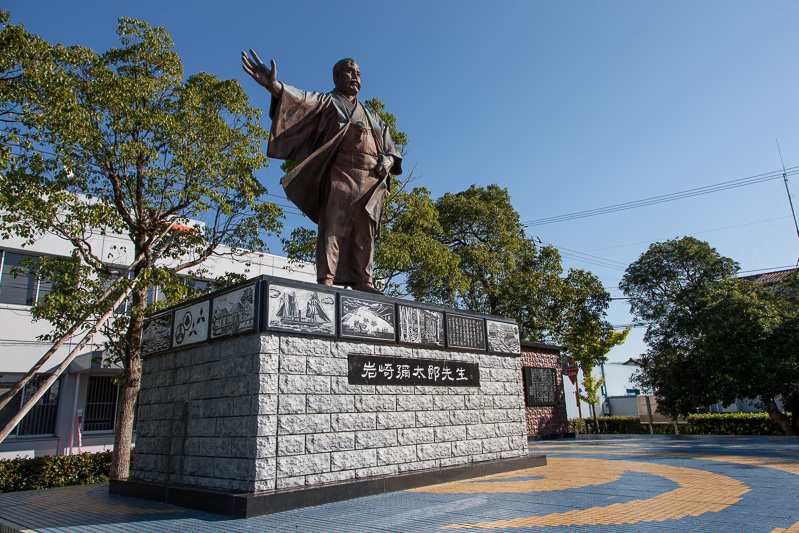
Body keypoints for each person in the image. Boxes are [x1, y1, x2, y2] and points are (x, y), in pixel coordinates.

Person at [241, 50, 403, 294]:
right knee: (332, 228)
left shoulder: (373, 116)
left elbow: (391, 148)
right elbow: (303, 99)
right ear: (336, 78)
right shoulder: (328, 101)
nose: (355, 76)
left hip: (371, 179)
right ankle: (326, 280)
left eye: (358, 73)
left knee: (364, 232)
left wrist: (388, 161)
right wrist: (275, 87)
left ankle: (364, 280)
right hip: (340, 173)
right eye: (350, 71)